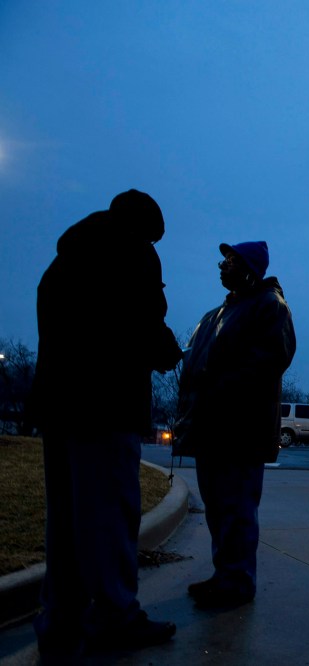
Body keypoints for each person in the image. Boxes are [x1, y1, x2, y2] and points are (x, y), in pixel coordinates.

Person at [29, 189, 183, 657]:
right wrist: (168, 351)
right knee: (111, 515)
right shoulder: (130, 253)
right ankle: (115, 615)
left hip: (60, 406)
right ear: (144, 229)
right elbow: (142, 322)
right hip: (107, 404)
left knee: (68, 519)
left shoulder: (66, 260)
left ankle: (61, 617)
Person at [173, 240, 295, 608]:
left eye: (229, 261)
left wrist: (219, 389)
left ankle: (238, 581)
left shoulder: (269, 306)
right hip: (210, 427)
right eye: (222, 260)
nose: (220, 266)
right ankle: (223, 574)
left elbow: (271, 359)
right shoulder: (215, 314)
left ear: (249, 268)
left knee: (237, 507)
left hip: (239, 428)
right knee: (217, 507)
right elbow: (194, 365)